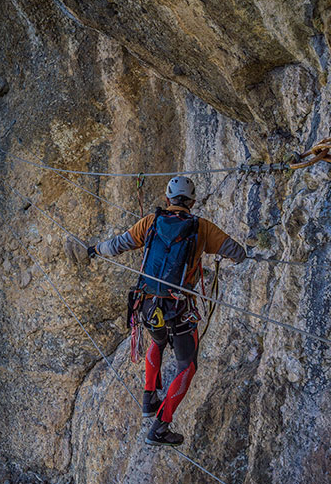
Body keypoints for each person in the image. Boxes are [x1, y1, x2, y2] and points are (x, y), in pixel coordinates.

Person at [64, 176, 247, 446]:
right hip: (179, 308)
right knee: (187, 365)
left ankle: (149, 399)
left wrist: (94, 250)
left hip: (147, 305)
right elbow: (237, 252)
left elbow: (117, 244)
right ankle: (161, 426)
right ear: (193, 202)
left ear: (167, 199)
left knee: (158, 341)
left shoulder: (150, 222)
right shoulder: (202, 228)